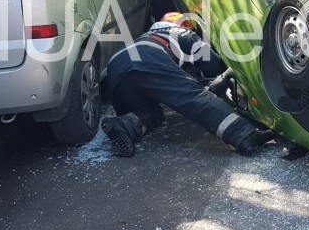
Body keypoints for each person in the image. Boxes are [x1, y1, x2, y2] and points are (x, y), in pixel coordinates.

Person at [103, 14, 274, 157]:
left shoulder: (147, 36)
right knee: (194, 97)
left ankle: (124, 125)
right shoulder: (181, 32)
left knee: (151, 114)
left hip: (115, 69)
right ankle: (245, 136)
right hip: (147, 59)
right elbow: (213, 65)